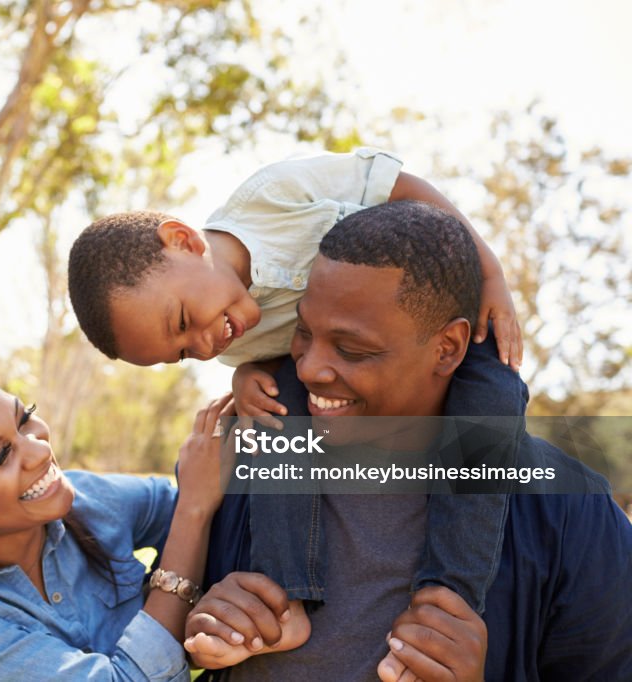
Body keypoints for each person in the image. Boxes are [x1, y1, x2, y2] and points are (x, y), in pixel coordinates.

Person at [67, 147, 526, 618]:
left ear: (182, 240)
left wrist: (488, 272)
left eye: (184, 321)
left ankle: (451, 594)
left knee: (495, 397)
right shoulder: (232, 339)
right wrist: (248, 374)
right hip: (348, 380)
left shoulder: (273, 197)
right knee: (273, 417)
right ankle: (283, 595)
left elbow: (400, 184)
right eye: (183, 353)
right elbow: (274, 358)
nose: (204, 347)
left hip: (434, 322)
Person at [183, 200, 632, 680]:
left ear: (448, 348)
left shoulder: (568, 513)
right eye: (304, 331)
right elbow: (162, 621)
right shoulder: (244, 461)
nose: (309, 368)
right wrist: (203, 632)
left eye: (353, 349)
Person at [0, 355, 309, 681]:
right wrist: (194, 515)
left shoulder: (83, 501)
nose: (38, 449)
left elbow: (219, 502)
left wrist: (262, 377)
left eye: (23, 416)